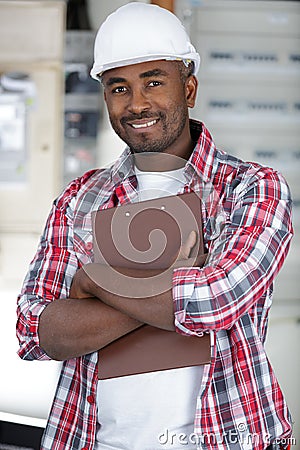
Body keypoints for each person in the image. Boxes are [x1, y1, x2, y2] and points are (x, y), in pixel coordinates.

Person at [16, 3, 294, 450]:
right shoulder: (80, 199)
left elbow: (211, 302)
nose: (137, 103)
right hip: (93, 439)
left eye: (154, 81)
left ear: (189, 88)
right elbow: (37, 329)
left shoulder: (251, 189)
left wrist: (93, 282)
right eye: (118, 87)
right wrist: (171, 287)